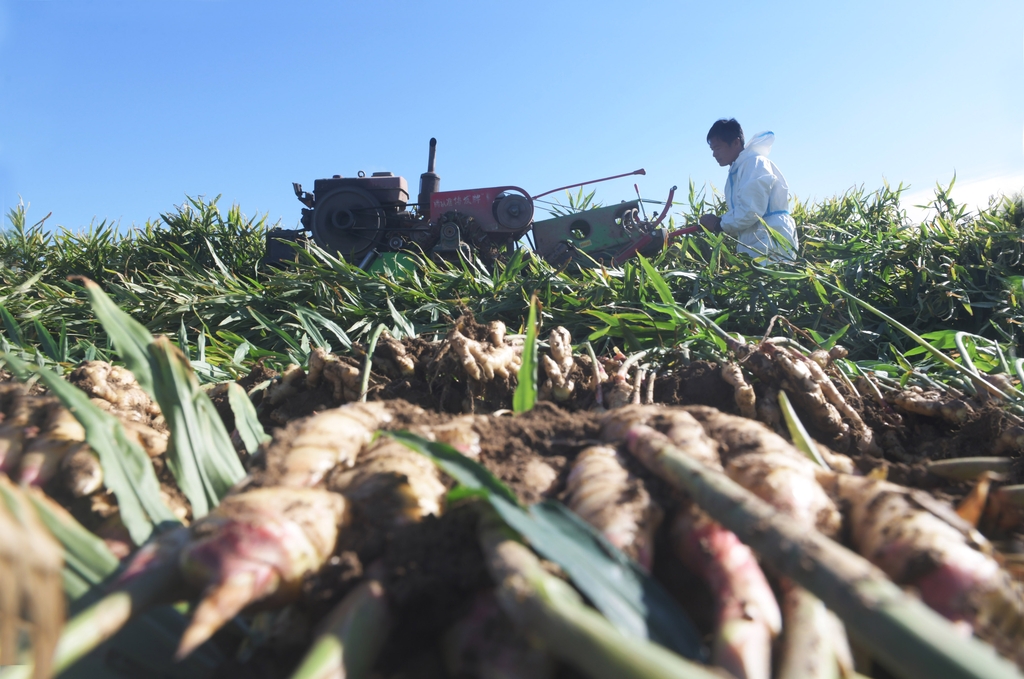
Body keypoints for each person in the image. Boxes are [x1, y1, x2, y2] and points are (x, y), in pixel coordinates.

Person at [699, 119, 798, 261]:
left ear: (736, 142)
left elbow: (750, 211)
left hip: (771, 239)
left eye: (718, 148)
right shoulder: (739, 169)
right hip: (757, 239)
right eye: (712, 149)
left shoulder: (754, 163)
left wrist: (718, 224)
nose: (714, 154)